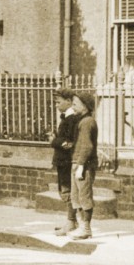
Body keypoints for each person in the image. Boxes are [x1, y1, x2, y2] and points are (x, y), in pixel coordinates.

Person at [50, 88, 80, 236]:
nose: (56, 104)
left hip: (66, 161)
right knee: (65, 191)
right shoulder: (66, 118)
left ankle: (70, 222)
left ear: (68, 101)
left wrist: (54, 140)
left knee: (67, 191)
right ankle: (72, 221)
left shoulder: (71, 119)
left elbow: (69, 143)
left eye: (58, 102)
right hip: (63, 161)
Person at [69, 91, 99, 240]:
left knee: (84, 196)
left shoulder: (87, 122)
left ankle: (86, 228)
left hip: (84, 165)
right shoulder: (82, 121)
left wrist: (80, 165)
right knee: (76, 197)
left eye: (75, 104)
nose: (73, 107)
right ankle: (82, 227)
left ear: (85, 106)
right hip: (77, 163)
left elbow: (87, 146)